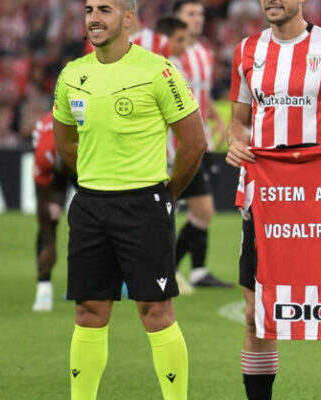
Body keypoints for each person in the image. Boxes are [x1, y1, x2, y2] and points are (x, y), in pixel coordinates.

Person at [52, 0, 206, 399]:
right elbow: (65, 142)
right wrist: (95, 175)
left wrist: (166, 194)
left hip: (144, 205)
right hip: (90, 206)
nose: (94, 18)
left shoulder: (158, 69)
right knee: (88, 312)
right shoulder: (72, 74)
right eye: (89, 10)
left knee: (155, 312)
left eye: (105, 9)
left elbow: (195, 142)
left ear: (128, 18)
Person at [224, 0, 321, 397]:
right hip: (265, 197)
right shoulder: (246, 51)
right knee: (256, 314)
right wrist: (235, 145)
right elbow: (237, 123)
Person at [172, 0, 232, 288]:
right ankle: (167, 268)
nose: (197, 19)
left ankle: (197, 270)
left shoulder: (203, 51)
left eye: (200, 14)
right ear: (177, 17)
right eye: (190, 13)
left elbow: (200, 94)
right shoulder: (171, 53)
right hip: (179, 144)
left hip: (204, 142)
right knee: (202, 208)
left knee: (203, 209)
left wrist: (216, 118)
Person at [31, 111, 75, 312]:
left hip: (83, 161)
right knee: (52, 214)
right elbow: (42, 200)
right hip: (59, 166)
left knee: (93, 213)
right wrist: (49, 243)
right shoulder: (44, 155)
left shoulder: (88, 139)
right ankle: (44, 288)